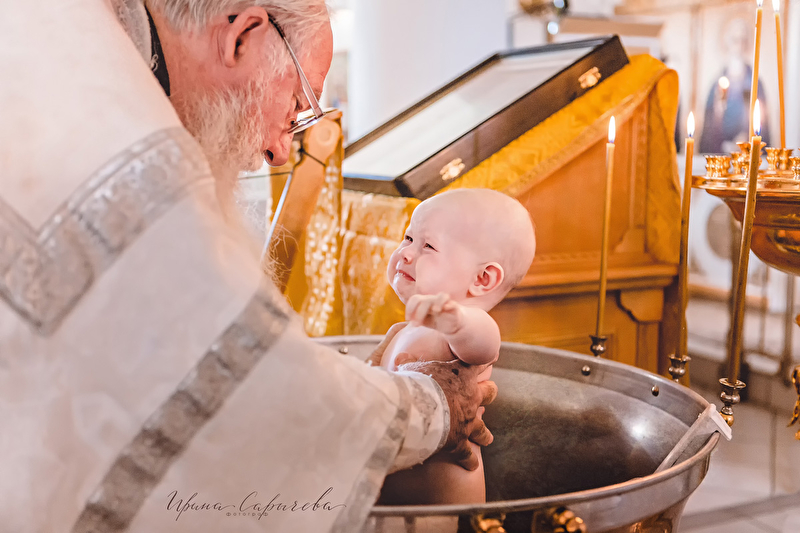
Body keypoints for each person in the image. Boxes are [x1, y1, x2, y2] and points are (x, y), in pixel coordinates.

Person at [0, 1, 496, 531]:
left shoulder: (70, 43)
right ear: (241, 36)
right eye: (296, 106)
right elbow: (243, 394)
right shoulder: (120, 135)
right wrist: (435, 407)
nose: (280, 152)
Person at [368, 189, 536, 505]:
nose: (405, 253)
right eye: (408, 238)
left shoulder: (467, 325)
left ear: (482, 278)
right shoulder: (404, 330)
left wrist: (455, 322)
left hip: (440, 506)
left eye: (428, 246)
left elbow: (484, 344)